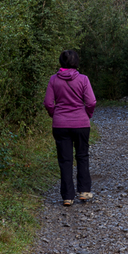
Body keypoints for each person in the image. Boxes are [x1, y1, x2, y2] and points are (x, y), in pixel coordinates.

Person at [43, 50, 96, 206]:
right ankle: (84, 192)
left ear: (61, 61)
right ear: (76, 61)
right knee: (82, 156)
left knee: (65, 160)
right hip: (81, 123)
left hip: (60, 124)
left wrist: (56, 115)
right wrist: (87, 114)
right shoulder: (83, 79)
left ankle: (67, 196)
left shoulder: (54, 80)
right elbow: (91, 102)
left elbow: (48, 103)